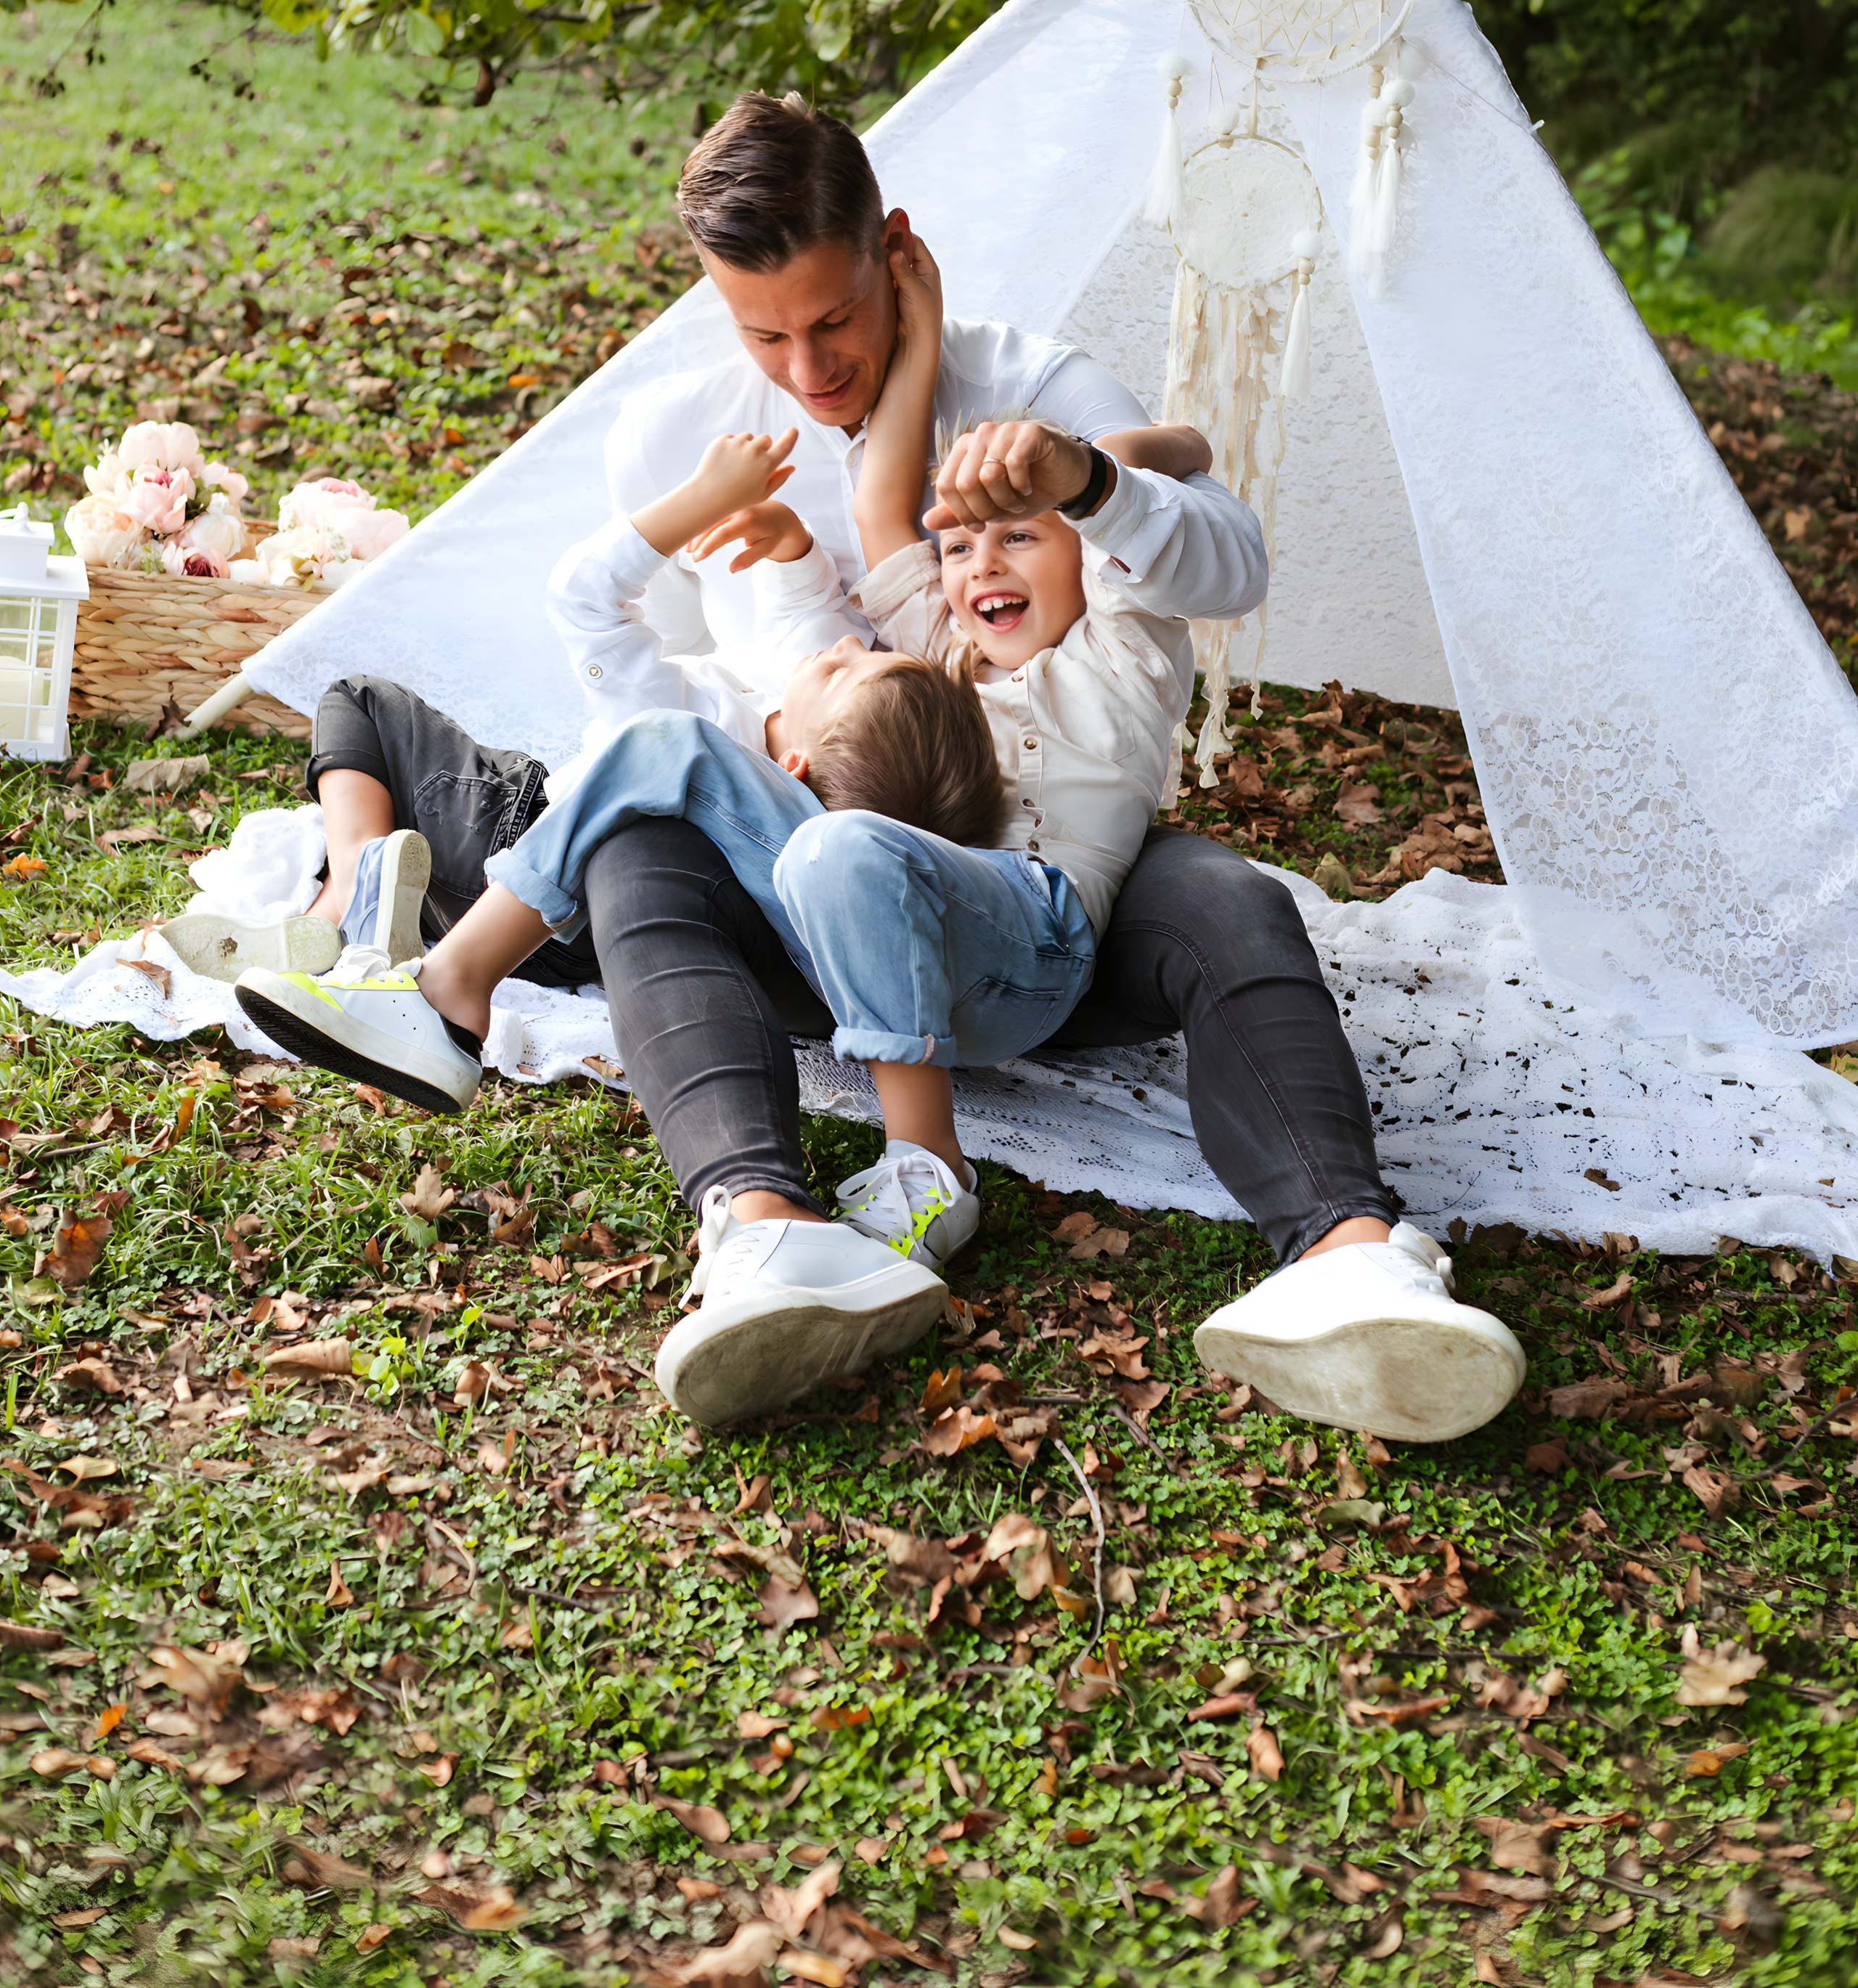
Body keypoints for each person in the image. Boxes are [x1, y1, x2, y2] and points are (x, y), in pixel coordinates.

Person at [225, 91, 1526, 1444]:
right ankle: (748, 1214)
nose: (803, 367)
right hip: (816, 885)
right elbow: (761, 612)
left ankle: (1349, 1253)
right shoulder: (700, 449)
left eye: (834, 321)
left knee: (1227, 897)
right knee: (645, 805)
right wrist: (793, 631)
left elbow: (1217, 549)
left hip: (1041, 897)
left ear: (890, 251)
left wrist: (1089, 476)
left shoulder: (1035, 401)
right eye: (761, 332)